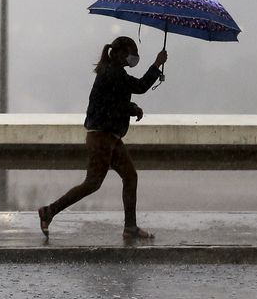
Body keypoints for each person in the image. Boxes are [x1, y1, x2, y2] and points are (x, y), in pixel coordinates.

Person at [37, 36, 167, 240]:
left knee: (130, 176)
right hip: (102, 138)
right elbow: (139, 87)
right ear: (117, 53)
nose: (131, 57)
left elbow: (115, 102)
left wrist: (131, 108)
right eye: (128, 53)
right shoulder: (113, 73)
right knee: (93, 183)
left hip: (110, 137)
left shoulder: (113, 73)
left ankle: (130, 227)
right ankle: (49, 211)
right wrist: (157, 65)